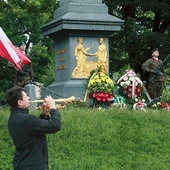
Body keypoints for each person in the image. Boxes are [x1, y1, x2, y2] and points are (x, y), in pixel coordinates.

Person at [5, 86, 61, 170]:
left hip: (23, 164)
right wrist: (53, 108)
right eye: (26, 96)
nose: (29, 98)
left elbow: (36, 130)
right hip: (32, 166)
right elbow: (55, 126)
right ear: (20, 102)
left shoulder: (14, 118)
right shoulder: (27, 119)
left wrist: (45, 114)